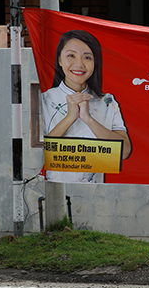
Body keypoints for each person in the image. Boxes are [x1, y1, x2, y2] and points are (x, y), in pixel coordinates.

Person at [42, 30, 132, 183]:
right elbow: (38, 154)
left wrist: (88, 119)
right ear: (59, 59)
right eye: (71, 55)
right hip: (54, 192)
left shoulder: (107, 101)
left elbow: (125, 151)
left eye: (87, 57)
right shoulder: (44, 98)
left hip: (95, 193)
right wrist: (70, 117)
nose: (79, 64)